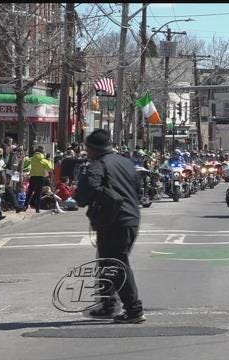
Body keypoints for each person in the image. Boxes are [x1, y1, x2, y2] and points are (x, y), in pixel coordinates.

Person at [74, 129, 145, 324]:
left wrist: (91, 200)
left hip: (114, 220)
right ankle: (108, 304)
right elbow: (139, 189)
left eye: (88, 149)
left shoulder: (98, 164)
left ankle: (134, 309)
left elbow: (86, 191)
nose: (87, 153)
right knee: (107, 263)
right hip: (131, 218)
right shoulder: (125, 162)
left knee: (116, 264)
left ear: (94, 149)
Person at [22, 146, 54, 213]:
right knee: (38, 193)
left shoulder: (32, 158)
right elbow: (50, 169)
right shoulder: (43, 160)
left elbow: (25, 163)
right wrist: (49, 160)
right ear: (42, 153)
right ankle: (37, 208)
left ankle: (25, 206)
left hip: (32, 176)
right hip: (40, 177)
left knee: (29, 192)